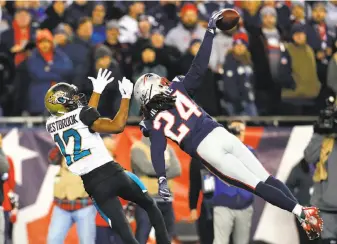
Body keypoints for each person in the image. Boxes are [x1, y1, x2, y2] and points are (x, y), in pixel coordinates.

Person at [133, 10, 323, 241]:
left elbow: (157, 150)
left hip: (207, 150)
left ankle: (301, 212)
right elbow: (199, 67)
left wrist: (162, 178)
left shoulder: (154, 122)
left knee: (255, 185)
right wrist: (210, 31)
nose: (163, 81)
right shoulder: (177, 89)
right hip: (219, 133)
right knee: (266, 178)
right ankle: (302, 210)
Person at [44, 68, 170, 244]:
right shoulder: (81, 115)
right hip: (112, 173)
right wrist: (125, 98)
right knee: (151, 206)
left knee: (126, 235)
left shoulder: (51, 124)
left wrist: (97, 92)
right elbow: (116, 126)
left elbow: (84, 120)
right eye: (71, 97)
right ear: (61, 102)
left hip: (94, 185)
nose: (75, 99)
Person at [131, 135, 181, 243]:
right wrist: (167, 166)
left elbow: (177, 169)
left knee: (166, 238)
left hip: (166, 200)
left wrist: (159, 169)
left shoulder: (167, 148)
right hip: (147, 200)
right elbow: (147, 168)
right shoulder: (137, 148)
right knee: (141, 237)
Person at [213, 121, 254, 244]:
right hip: (223, 204)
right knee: (220, 242)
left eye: (241, 130)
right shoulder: (217, 151)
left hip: (244, 204)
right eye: (235, 129)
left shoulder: (250, 152)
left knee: (242, 242)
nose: (239, 132)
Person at [46, 146, 96, 244]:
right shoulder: (64, 146)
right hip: (62, 206)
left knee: (87, 241)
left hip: (84, 205)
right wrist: (60, 143)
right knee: (53, 240)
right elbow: (52, 159)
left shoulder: (89, 144)